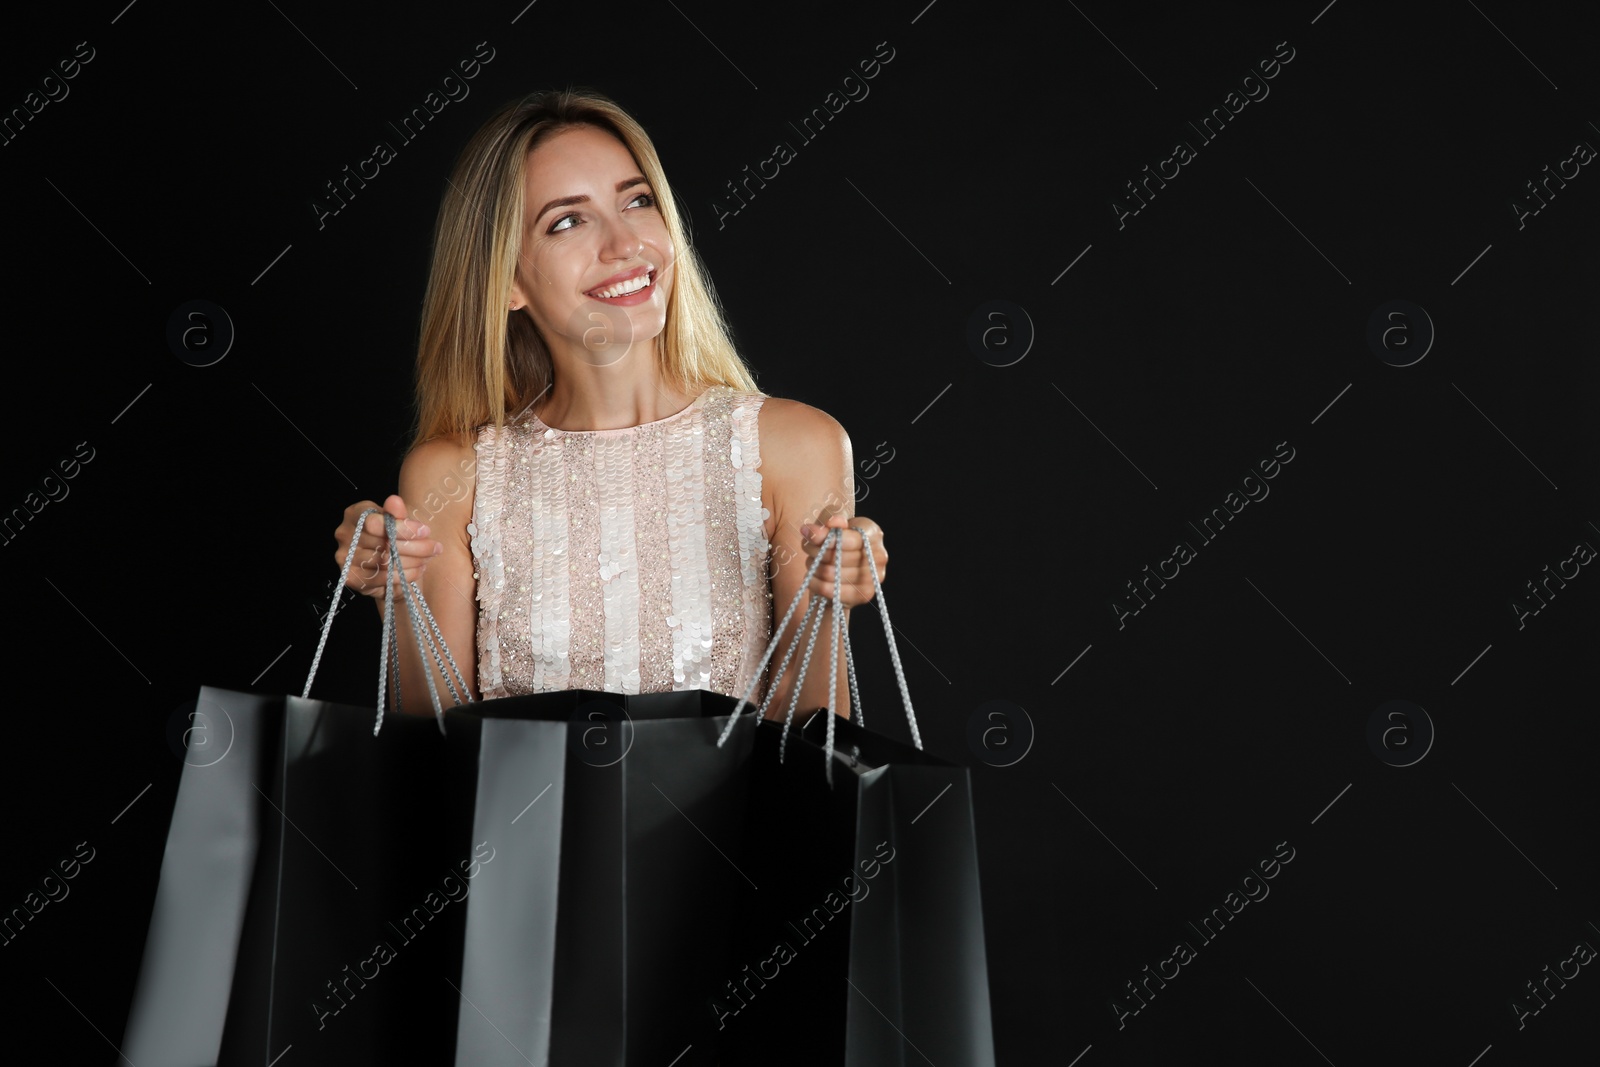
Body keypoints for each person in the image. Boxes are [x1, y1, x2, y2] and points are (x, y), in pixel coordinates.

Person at [330, 87, 889, 724]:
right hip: (522, 828)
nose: (625, 244)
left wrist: (829, 601)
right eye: (567, 220)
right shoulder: (450, 474)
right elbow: (436, 756)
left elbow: (814, 740)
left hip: (735, 826)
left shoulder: (796, 446)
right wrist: (400, 595)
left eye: (637, 201)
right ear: (506, 280)